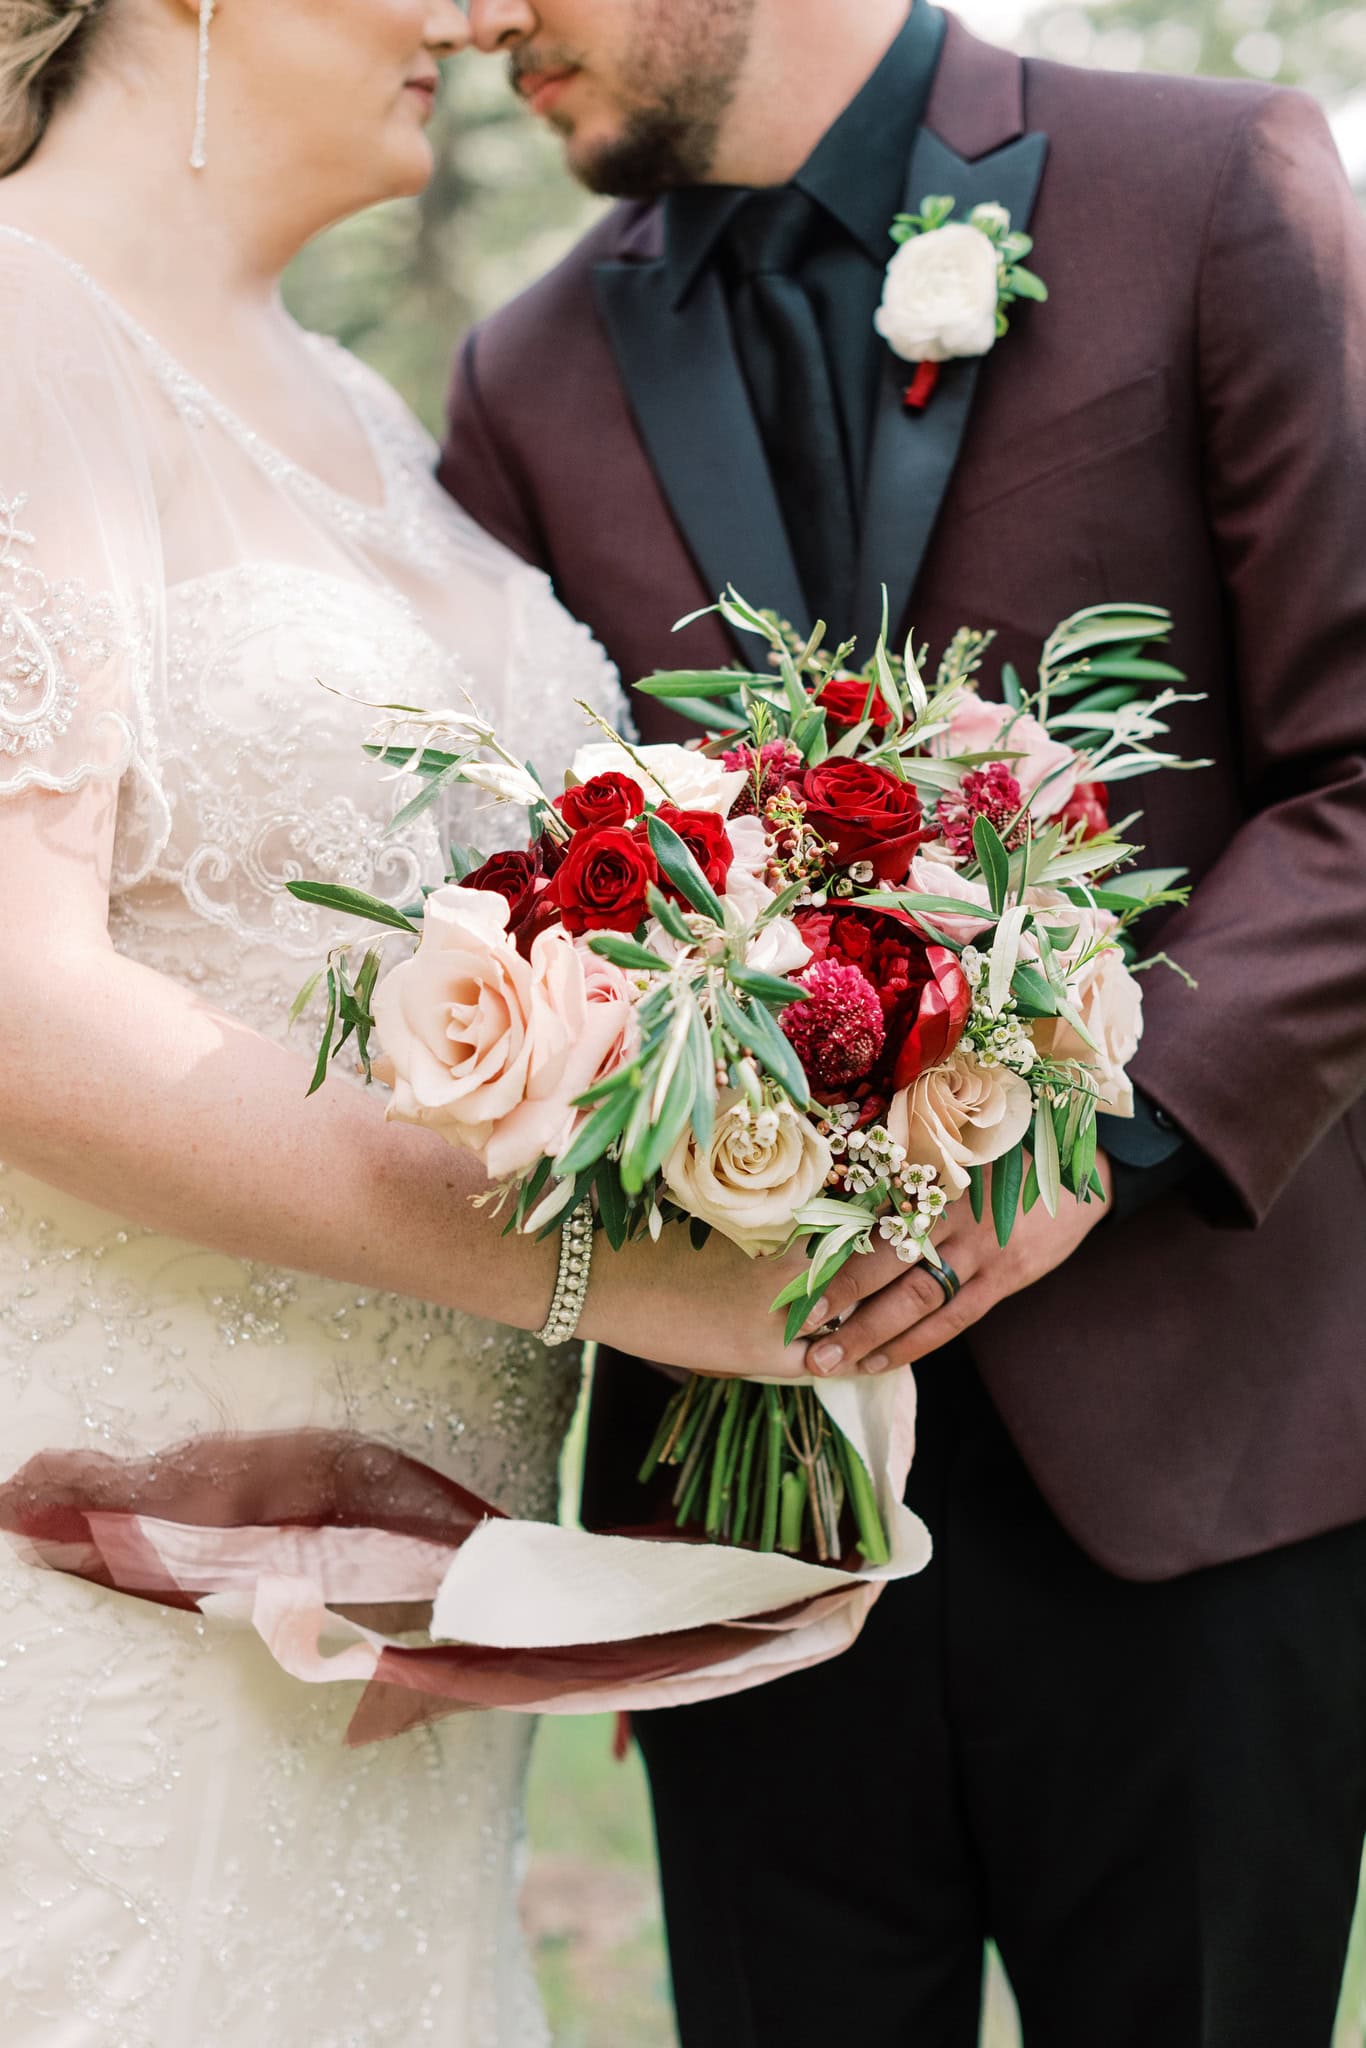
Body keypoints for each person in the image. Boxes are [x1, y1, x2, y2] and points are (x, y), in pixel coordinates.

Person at [443, 2, 1366, 2043]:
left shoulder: (1211, 186)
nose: (482, 18)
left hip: (1194, 1480)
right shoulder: (518, 377)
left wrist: (1090, 1147)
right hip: (750, 1503)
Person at [0, 2, 913, 2041]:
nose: (478, 14)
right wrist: (610, 1273)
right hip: (105, 1605)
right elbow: (16, 1012)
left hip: (400, 1652)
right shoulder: (15, 327)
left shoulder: (359, 412)